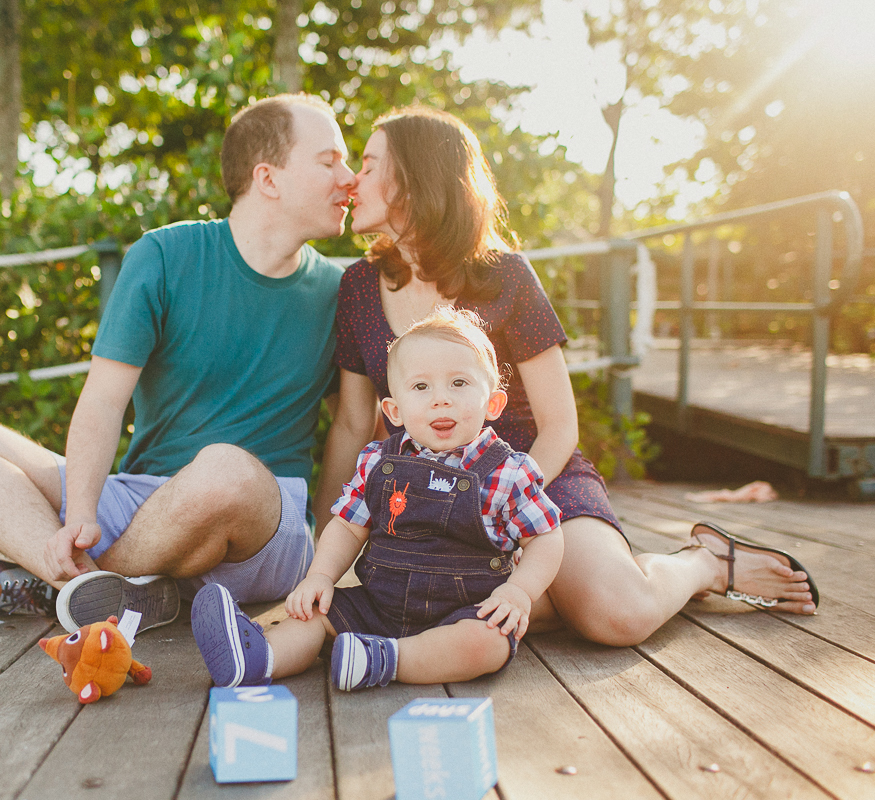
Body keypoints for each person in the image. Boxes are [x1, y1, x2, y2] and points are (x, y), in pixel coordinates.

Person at [313, 106, 818, 651]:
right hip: (424, 495)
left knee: (619, 615)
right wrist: (318, 555)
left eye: (369, 165)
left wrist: (502, 504)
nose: (353, 179)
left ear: (417, 178)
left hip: (535, 477)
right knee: (437, 606)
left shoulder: (504, 274)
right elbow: (353, 424)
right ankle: (548, 595)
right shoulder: (358, 286)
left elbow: (559, 425)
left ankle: (704, 564)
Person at [0, 93, 356, 633]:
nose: (350, 179)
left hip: (264, 528)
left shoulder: (342, 293)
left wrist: (321, 557)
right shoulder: (163, 257)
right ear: (268, 178)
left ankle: (69, 586)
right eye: (329, 161)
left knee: (224, 471)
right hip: (143, 504)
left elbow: (352, 426)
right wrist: (82, 516)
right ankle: (89, 583)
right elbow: (104, 400)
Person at [190, 306, 565, 690]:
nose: (441, 399)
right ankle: (260, 658)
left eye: (459, 383)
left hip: (463, 612)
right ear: (394, 410)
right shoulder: (377, 462)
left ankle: (383, 660)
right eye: (421, 387)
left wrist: (519, 591)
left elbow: (546, 538)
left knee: (488, 642)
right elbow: (348, 528)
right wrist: (320, 576)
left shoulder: (509, 471)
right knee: (314, 614)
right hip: (377, 605)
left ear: (493, 404)